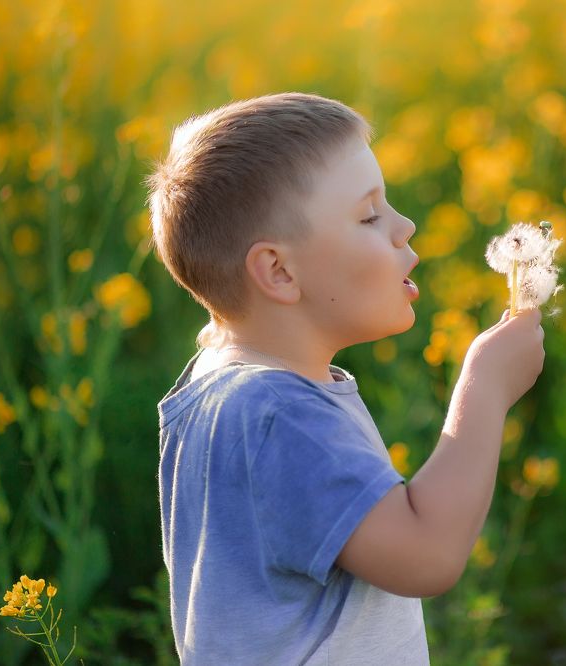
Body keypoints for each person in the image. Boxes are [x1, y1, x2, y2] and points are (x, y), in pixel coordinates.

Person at [146, 92, 545, 664]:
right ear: (279, 271)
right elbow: (426, 555)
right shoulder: (278, 416)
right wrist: (485, 387)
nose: (404, 226)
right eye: (369, 215)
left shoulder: (221, 387)